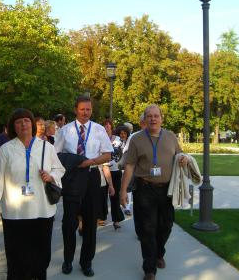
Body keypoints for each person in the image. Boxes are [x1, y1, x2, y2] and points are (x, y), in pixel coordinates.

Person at [0, 108, 65, 280]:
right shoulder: (6, 149)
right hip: (15, 213)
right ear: (13, 126)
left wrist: (51, 176)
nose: (23, 124)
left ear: (32, 124)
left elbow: (59, 168)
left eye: (26, 120)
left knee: (41, 256)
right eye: (18, 121)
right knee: (16, 257)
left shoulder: (46, 147)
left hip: (42, 211)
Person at [120, 104, 188, 280]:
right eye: (149, 116)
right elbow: (129, 166)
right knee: (147, 229)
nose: (153, 119)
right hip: (144, 189)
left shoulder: (171, 137)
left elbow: (180, 155)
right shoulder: (136, 139)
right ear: (144, 120)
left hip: (167, 190)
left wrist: (182, 160)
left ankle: (159, 253)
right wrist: (122, 191)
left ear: (161, 118)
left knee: (166, 225)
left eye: (156, 116)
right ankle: (149, 269)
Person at [54, 95, 113, 277]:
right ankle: (67, 260)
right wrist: (74, 161)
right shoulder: (64, 131)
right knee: (69, 223)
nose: (85, 112)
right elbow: (55, 154)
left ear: (91, 110)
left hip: (91, 177)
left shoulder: (98, 130)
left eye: (88, 109)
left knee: (90, 222)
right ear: (75, 110)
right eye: (82, 109)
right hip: (72, 178)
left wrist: (91, 162)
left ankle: (86, 262)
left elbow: (108, 155)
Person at [102, 119, 124, 230]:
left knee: (115, 196)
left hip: (115, 171)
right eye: (105, 125)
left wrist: (117, 163)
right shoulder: (100, 139)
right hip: (102, 171)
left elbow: (122, 154)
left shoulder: (118, 140)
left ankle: (116, 220)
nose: (106, 127)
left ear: (111, 126)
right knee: (102, 196)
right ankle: (102, 217)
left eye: (108, 125)